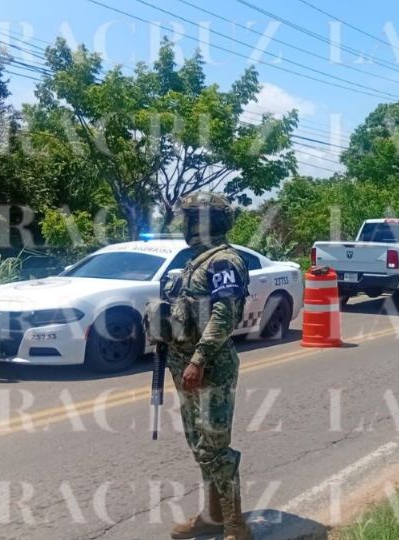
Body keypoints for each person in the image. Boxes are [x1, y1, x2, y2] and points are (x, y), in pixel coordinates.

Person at [160, 192, 252, 540]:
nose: (185, 225)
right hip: (184, 364)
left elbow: (223, 315)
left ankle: (235, 526)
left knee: (216, 447)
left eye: (190, 219)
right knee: (199, 444)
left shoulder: (224, 261)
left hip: (209, 366)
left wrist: (198, 359)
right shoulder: (195, 260)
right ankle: (212, 516)